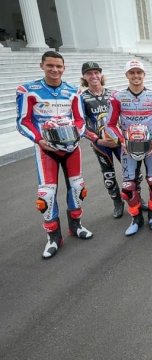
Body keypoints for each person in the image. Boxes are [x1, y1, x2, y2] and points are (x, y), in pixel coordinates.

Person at [16, 51, 93, 259]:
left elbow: (80, 120)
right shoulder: (28, 90)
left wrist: (76, 135)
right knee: (47, 194)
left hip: (71, 147)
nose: (55, 70)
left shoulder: (72, 90)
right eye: (50, 65)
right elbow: (23, 121)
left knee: (77, 188)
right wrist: (40, 140)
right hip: (45, 148)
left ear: (64, 68)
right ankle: (53, 236)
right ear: (42, 65)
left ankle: (76, 226)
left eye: (59, 66)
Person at [105, 59, 152, 236]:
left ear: (144, 74)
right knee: (128, 187)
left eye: (139, 72)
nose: (136, 76)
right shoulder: (117, 97)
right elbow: (109, 125)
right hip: (128, 147)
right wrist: (121, 141)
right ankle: (135, 218)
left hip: (151, 147)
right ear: (127, 75)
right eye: (132, 72)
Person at [79, 61, 124, 218]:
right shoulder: (81, 98)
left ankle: (135, 198)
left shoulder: (114, 94)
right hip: (100, 144)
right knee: (108, 175)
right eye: (89, 73)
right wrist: (97, 140)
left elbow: (124, 118)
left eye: (96, 72)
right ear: (84, 76)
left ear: (101, 74)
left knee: (130, 172)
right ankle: (117, 202)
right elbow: (81, 124)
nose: (94, 76)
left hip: (118, 141)